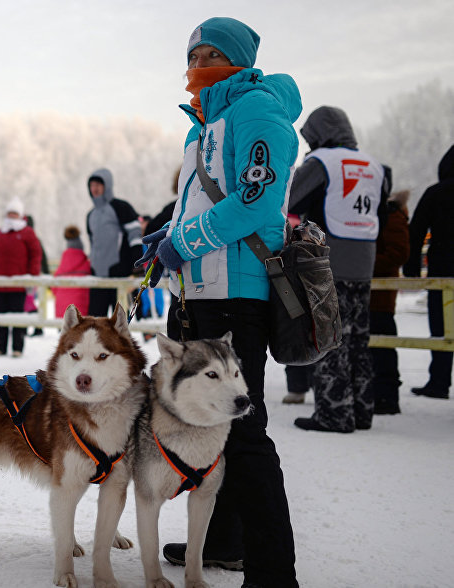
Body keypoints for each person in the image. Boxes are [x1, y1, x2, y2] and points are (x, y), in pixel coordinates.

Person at [140, 17, 300, 586]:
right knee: (205, 424)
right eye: (194, 54)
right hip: (195, 295)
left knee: (242, 426)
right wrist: (166, 241)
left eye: (213, 53)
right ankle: (228, 541)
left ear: (241, 58)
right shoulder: (202, 123)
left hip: (236, 296)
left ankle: (274, 569)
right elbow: (195, 207)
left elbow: (256, 204)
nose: (201, 62)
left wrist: (183, 239)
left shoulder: (258, 111)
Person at [288, 106, 388, 432]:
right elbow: (381, 214)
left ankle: (334, 413)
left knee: (328, 337)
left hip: (327, 264)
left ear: (319, 133)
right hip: (364, 262)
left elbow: (289, 200)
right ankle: (361, 411)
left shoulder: (322, 162)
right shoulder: (374, 166)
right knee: (358, 340)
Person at [404, 143, 454, 400]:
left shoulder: (436, 193)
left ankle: (439, 382)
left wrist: (411, 268)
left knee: (443, 329)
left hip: (443, 271)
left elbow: (416, 231)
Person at [0, 197, 42, 357]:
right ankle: (0, 347)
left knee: (18, 318)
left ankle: (17, 347)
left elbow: (36, 254)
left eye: (15, 213)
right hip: (1, 282)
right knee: (1, 317)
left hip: (20, 283)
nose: (12, 216)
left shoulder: (27, 232)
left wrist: (32, 275)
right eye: (10, 213)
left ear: (21, 215)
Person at [370, 189, 411, 414]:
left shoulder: (391, 213)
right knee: (374, 346)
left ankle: (386, 398)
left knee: (382, 346)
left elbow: (399, 253)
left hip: (380, 294)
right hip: (371, 291)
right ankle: (379, 396)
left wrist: (364, 262)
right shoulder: (379, 211)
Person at [85, 167, 143, 316]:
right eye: (92, 185)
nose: (95, 188)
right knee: (96, 322)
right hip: (98, 275)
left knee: (120, 322)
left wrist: (136, 267)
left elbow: (135, 237)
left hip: (120, 272)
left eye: (99, 184)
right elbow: (93, 245)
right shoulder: (91, 215)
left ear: (107, 185)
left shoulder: (121, 207)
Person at [52, 225, 91, 317]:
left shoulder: (61, 266)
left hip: (62, 314)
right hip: (80, 314)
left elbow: (53, 288)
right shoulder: (87, 266)